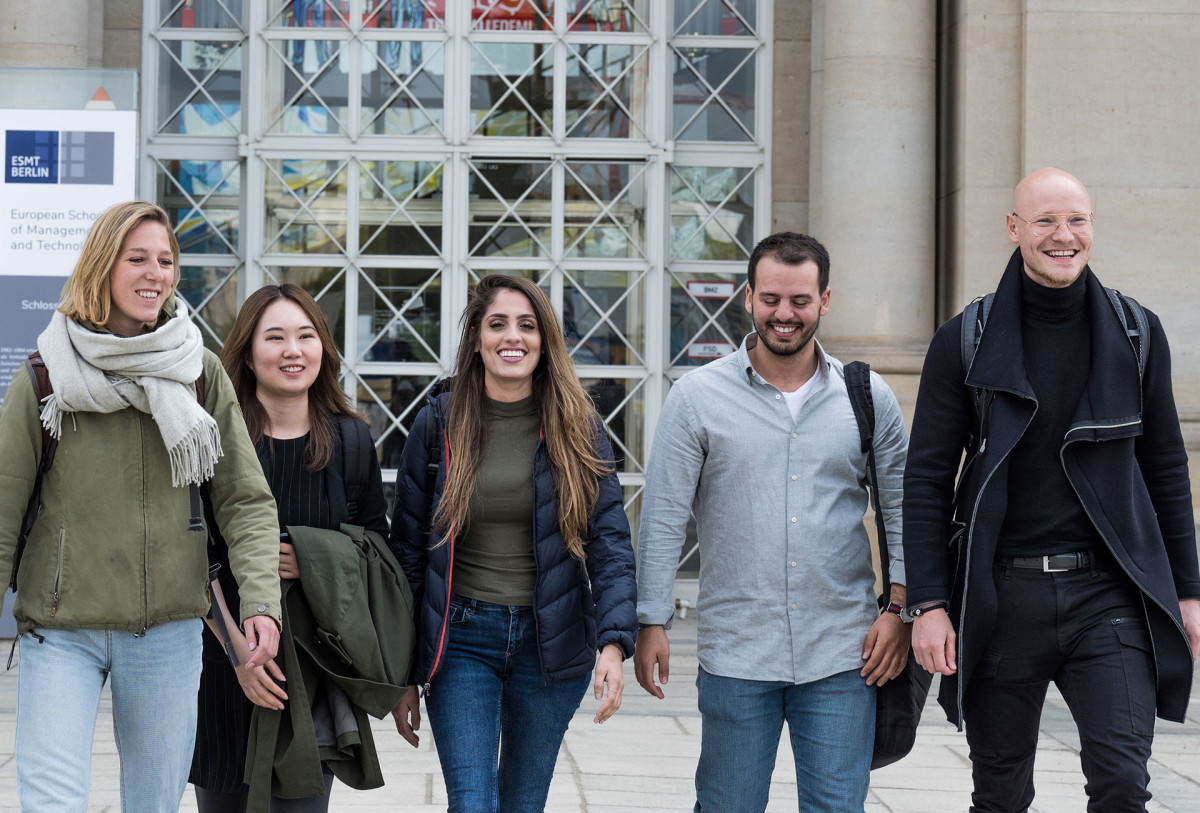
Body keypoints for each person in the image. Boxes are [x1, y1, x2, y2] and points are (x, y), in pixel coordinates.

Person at [903, 167, 1200, 812]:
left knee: (1124, 784)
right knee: (1002, 794)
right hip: (1002, 598)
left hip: (1109, 595)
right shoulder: (964, 340)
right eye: (1045, 221)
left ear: (1093, 226)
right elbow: (926, 481)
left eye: (1077, 220)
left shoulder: (1137, 333)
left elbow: (1167, 470)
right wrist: (928, 603)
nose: (1064, 236)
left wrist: (1189, 592)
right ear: (1014, 229)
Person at [0, 201, 282, 811]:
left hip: (168, 634)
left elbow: (246, 502)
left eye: (166, 260)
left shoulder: (198, 373)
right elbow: (2, 508)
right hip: (59, 629)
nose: (156, 273)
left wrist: (261, 600)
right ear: (102, 266)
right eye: (138, 259)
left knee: (154, 804)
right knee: (52, 802)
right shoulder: (47, 375)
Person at [635, 232, 911, 813]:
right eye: (771, 299)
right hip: (737, 651)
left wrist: (900, 612)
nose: (784, 314)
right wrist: (650, 621)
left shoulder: (867, 397)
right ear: (748, 297)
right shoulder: (697, 398)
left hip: (843, 652)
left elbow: (907, 512)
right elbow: (662, 515)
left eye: (800, 300)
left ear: (825, 300)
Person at [389, 274, 637, 812]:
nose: (512, 337)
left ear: (545, 340)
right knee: (472, 804)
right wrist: (403, 672)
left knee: (523, 804)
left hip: (549, 642)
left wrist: (615, 643)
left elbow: (610, 544)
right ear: (475, 336)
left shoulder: (578, 427)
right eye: (497, 323)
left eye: (527, 325)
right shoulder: (438, 424)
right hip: (460, 642)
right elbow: (407, 552)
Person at [190, 283, 394, 811]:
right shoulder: (210, 438)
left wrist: (317, 560)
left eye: (305, 336)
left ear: (322, 347)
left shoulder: (349, 441)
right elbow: (192, 549)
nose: (292, 350)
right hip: (221, 664)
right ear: (247, 352)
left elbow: (379, 550)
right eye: (274, 337)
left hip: (312, 672)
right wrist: (238, 650)